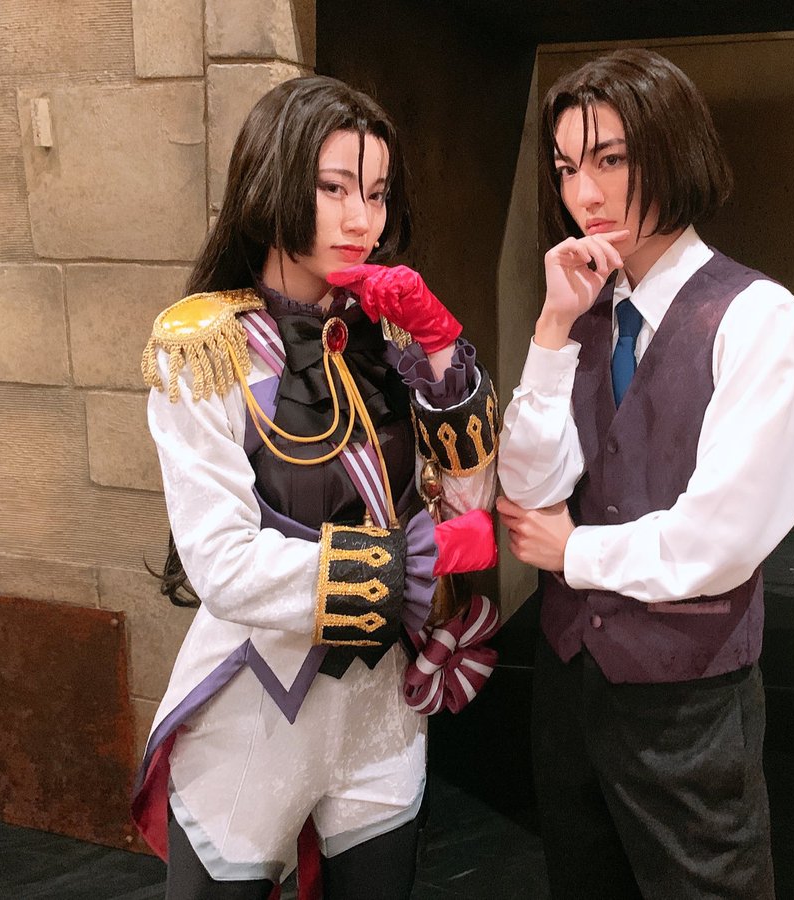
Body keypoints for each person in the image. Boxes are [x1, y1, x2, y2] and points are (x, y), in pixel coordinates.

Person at [131, 75, 500, 900]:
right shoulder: (206, 349)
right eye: (334, 188)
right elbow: (223, 563)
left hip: (381, 714)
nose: (362, 219)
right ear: (273, 183)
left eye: (376, 192)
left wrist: (442, 348)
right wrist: (403, 567)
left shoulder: (393, 332)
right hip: (255, 711)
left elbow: (470, 505)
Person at [496, 49, 794, 899]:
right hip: (568, 688)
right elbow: (527, 491)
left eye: (610, 160)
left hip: (689, 703)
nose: (585, 194)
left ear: (673, 153)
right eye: (566, 168)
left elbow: (725, 537)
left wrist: (574, 553)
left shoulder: (757, 317)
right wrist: (550, 330)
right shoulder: (586, 314)